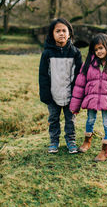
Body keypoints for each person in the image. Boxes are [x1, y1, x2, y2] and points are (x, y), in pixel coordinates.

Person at [70, 33, 107, 162]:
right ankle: (87, 141)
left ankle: (106, 149)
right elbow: (79, 86)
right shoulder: (88, 64)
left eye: (101, 48)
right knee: (90, 119)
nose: (99, 51)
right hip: (91, 99)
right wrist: (75, 106)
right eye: (96, 49)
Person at [39, 18, 82, 154]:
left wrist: (77, 94)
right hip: (53, 94)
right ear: (52, 34)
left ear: (69, 34)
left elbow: (79, 76)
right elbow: (43, 75)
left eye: (64, 31)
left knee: (71, 119)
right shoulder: (47, 53)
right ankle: (54, 141)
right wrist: (45, 94)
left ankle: (71, 140)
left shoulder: (75, 53)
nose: (61, 33)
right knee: (53, 119)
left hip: (71, 94)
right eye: (58, 31)